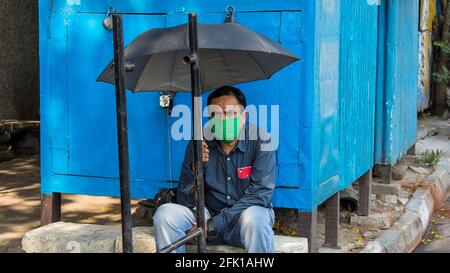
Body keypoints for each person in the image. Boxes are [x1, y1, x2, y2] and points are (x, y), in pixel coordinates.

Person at [153, 85, 276, 253]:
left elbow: (260, 195)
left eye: (230, 113)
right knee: (165, 214)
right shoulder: (200, 142)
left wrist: (214, 224)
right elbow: (185, 200)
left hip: (243, 221)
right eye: (216, 114)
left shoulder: (261, 140)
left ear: (243, 116)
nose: (223, 119)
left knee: (256, 217)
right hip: (206, 217)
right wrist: (195, 169)